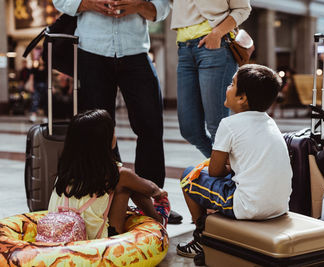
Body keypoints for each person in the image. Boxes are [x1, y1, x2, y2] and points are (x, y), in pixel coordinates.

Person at [52, 0, 182, 223]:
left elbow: (161, 9)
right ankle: (109, 198)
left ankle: (152, 200)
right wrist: (89, 3)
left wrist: (137, 5)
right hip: (91, 51)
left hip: (135, 51)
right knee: (98, 131)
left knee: (150, 124)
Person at [176, 64, 293, 257]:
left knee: (188, 176)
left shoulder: (229, 124)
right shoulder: (270, 122)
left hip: (249, 207)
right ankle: (214, 229)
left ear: (242, 98)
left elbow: (214, 171)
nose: (227, 87)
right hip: (279, 205)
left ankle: (201, 239)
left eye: (232, 83)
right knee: (224, 183)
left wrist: (226, 168)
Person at [48, 109, 170, 238]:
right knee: (127, 187)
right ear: (106, 141)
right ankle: (158, 222)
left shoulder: (65, 172)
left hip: (61, 234)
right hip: (98, 244)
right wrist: (159, 193)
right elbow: (150, 189)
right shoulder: (119, 174)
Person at [170, 0, 251, 158]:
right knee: (189, 130)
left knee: (217, 127)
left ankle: (232, 177)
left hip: (215, 47)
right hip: (184, 49)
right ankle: (228, 171)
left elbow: (242, 9)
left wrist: (217, 33)